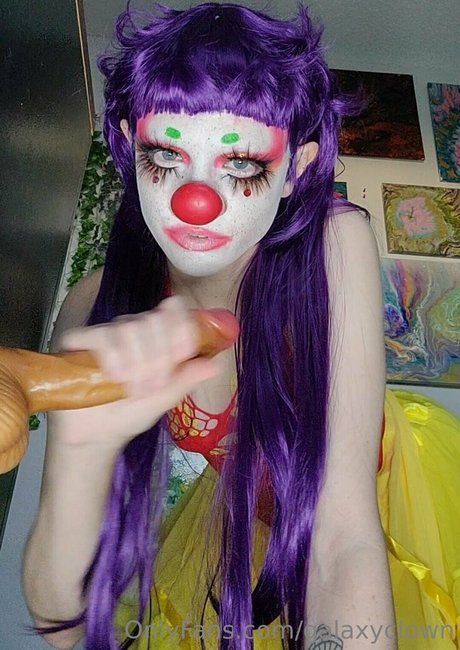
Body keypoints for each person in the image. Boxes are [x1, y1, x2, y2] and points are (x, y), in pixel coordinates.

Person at [22, 3, 460, 650]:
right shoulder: (93, 309)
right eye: (165, 155)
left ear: (296, 170)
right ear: (129, 145)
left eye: (243, 165)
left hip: (389, 494)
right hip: (242, 526)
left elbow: (341, 537)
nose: (195, 199)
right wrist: (80, 453)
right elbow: (64, 623)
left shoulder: (333, 242)